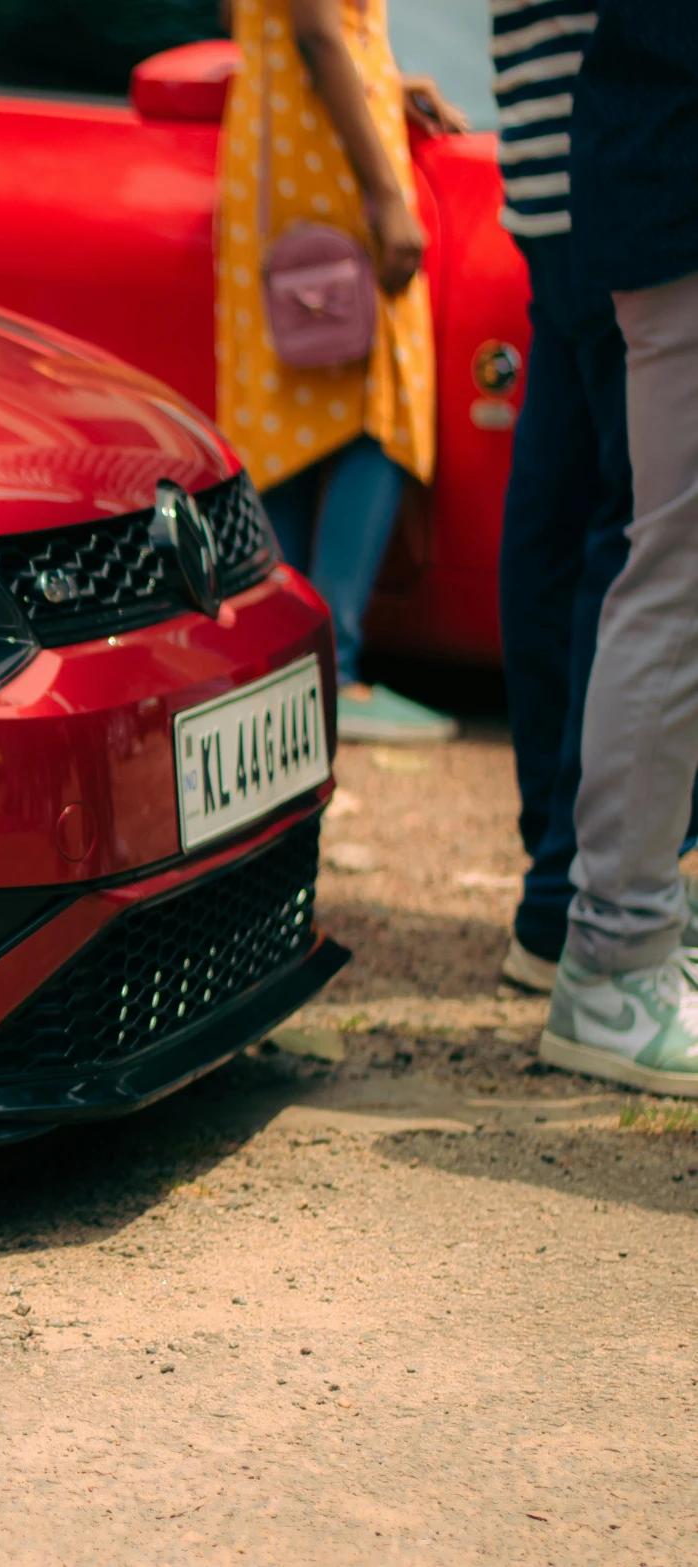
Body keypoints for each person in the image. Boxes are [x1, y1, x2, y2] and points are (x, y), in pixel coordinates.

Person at [216, 0, 460, 744]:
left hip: (277, 148)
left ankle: (289, 664)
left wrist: (382, 79)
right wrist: (388, 194)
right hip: (330, 163)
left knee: (286, 401)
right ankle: (332, 664)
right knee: (380, 398)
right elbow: (320, 28)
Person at [539, 0, 698, 1094]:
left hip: (659, 180)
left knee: (675, 570)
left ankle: (630, 944)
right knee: (679, 574)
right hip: (675, 192)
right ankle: (612, 959)